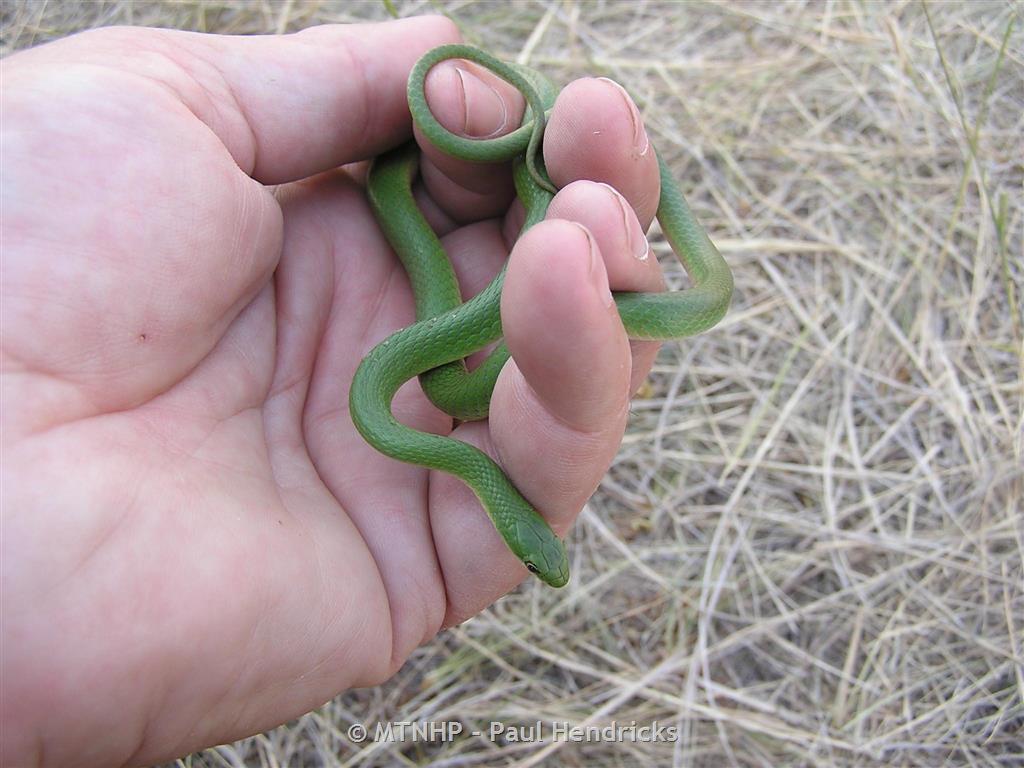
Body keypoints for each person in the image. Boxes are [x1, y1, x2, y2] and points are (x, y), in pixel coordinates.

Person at [1, 15, 667, 767]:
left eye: (536, 560)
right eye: (538, 559)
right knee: (553, 274)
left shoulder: (434, 420)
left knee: (550, 282)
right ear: (513, 528)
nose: (537, 568)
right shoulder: (446, 444)